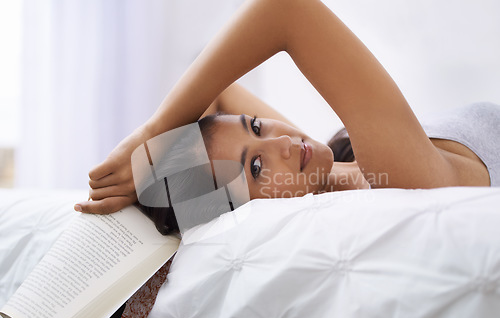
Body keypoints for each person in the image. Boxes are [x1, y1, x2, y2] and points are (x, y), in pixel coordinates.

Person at [74, 0, 498, 216]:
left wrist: (155, 174)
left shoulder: (328, 170)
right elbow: (285, 10)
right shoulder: (398, 179)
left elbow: (222, 94)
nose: (282, 141)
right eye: (256, 167)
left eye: (257, 126)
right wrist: (152, 134)